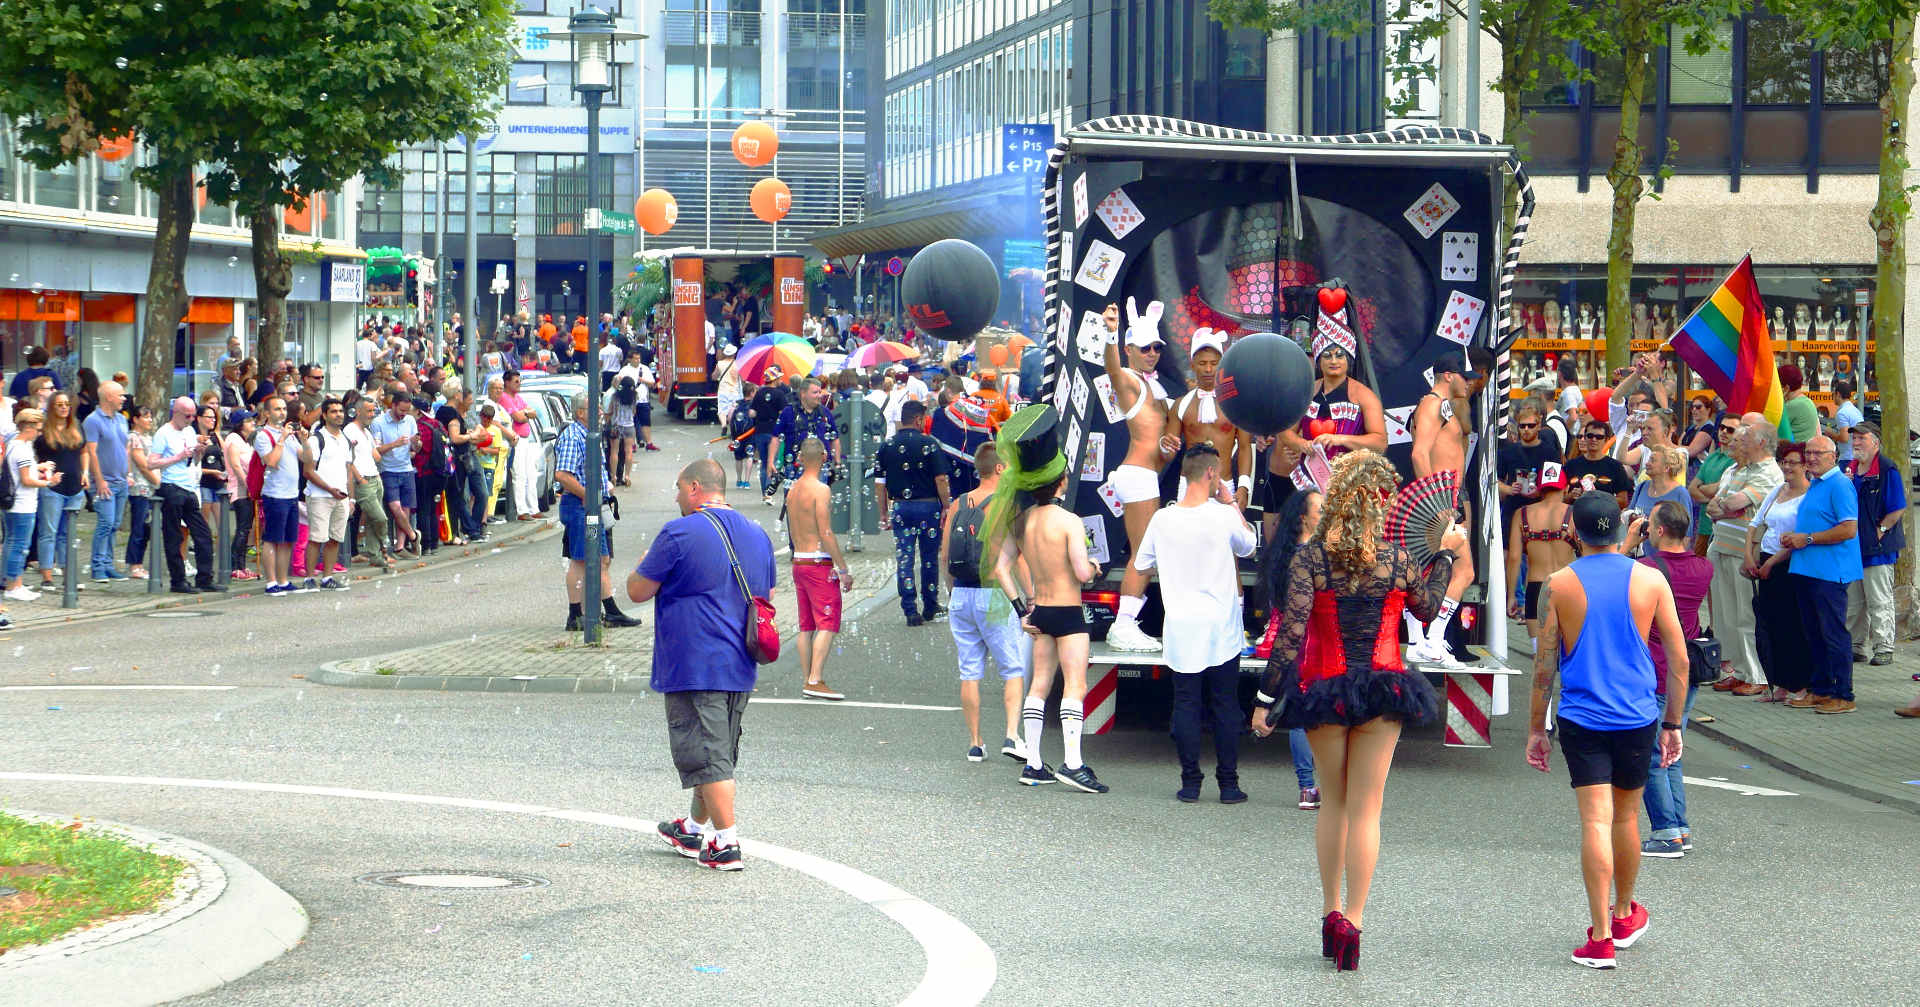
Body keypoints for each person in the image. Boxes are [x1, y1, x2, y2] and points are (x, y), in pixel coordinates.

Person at [1251, 450, 1458, 971]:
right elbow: (1429, 609)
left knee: (1334, 804)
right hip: (1385, 688)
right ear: (1380, 504)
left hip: (1326, 688)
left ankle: (1330, 913)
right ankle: (1355, 922)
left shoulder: (1310, 559)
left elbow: (1291, 635)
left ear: (1338, 498)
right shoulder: (1395, 559)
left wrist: (1265, 700)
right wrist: (1448, 556)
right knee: (1368, 808)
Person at [1526, 493, 1688, 970]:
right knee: (1625, 818)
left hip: (1582, 716)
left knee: (1594, 821)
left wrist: (1538, 727)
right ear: (1620, 529)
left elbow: (1544, 663)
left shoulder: (1557, 584)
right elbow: (1678, 662)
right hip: (1637, 715)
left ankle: (1598, 939)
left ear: (1574, 531)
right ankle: (1623, 914)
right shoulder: (1650, 580)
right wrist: (1673, 722)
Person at [635, 458, 777, 872]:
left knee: (708, 754)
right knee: (718, 751)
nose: (677, 496)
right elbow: (766, 592)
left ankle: (726, 843)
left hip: (693, 661)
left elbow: (638, 590)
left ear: (696, 487)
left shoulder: (679, 531)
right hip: (740, 660)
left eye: (680, 488)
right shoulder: (758, 534)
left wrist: (646, 560)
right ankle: (694, 827)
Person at [989, 406, 1107, 793]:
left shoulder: (1022, 522)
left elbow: (1001, 567)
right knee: (1075, 684)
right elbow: (1082, 572)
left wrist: (1022, 608)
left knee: (1039, 684)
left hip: (1038, 611)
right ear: (1059, 483)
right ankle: (1073, 763)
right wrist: (1092, 563)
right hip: (1069, 612)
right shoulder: (1070, 522)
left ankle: (1035, 763)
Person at [1133, 444, 1259, 803]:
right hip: (1221, 625)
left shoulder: (1162, 519)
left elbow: (1142, 565)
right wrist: (1230, 501)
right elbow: (1249, 545)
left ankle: (1190, 782)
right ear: (1211, 474)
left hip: (1181, 624)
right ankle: (1229, 784)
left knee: (1185, 703)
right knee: (1225, 704)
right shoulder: (1221, 516)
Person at [1629, 500, 1712, 858]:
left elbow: (1608, 573)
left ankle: (1665, 831)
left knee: (1651, 754)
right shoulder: (1703, 567)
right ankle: (1680, 828)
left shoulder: (1646, 569)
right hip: (1688, 669)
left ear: (1657, 531)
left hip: (1655, 670)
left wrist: (1629, 539)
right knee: (1672, 751)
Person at [940, 441, 1031, 763]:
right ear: (1001, 468)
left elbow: (945, 553)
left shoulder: (958, 503)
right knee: (1013, 668)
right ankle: (1011, 735)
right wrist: (1029, 597)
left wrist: (953, 592)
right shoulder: (1006, 505)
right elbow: (1015, 558)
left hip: (962, 594)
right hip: (995, 594)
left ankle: (975, 743)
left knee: (970, 671)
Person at [1101, 298, 1177, 652]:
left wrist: (1167, 449)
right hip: (1137, 476)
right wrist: (1110, 333)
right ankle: (1123, 625)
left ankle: (1127, 622)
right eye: (1145, 348)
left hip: (1145, 476)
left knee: (1146, 553)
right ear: (1130, 349)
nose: (1152, 353)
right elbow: (1112, 370)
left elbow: (1160, 441)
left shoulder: (1154, 388)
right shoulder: (1130, 380)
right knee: (1142, 555)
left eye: (1157, 347)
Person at [1406, 352, 1481, 666]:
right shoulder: (1432, 404)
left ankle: (1422, 641)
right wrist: (1433, 501)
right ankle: (1428, 639)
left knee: (1429, 572)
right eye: (1464, 376)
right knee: (1463, 571)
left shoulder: (1443, 406)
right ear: (1449, 376)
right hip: (1437, 503)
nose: (1470, 381)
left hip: (1444, 501)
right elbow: (1418, 453)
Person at [1256, 489, 1327, 811]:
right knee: (1313, 716)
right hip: (1312, 641)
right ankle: (1312, 785)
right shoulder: (1311, 556)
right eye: (1320, 508)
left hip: (1297, 641)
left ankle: (1308, 788)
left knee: (1303, 714)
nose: (1326, 512)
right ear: (1303, 517)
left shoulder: (1286, 555)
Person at [1783, 434, 1861, 714]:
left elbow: (1849, 529)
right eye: (1809, 453)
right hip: (1806, 569)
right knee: (1813, 634)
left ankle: (1844, 694)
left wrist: (1808, 539)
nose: (1812, 458)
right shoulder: (1815, 484)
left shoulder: (1839, 485)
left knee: (1833, 634)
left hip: (1830, 572)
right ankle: (1821, 689)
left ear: (1833, 456)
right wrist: (1796, 538)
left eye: (1819, 453)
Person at [555, 392, 642, 632]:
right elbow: (562, 475)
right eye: (595, 409)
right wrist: (588, 495)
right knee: (582, 560)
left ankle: (608, 610)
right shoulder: (574, 436)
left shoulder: (588, 435)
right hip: (580, 506)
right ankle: (576, 615)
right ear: (581, 413)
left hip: (591, 506)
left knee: (601, 559)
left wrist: (604, 487)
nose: (601, 413)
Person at [1705, 422, 1782, 693]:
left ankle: (1756, 674)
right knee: (1726, 615)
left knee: (1745, 615)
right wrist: (1723, 508)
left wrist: (1723, 507)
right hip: (1722, 545)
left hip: (1744, 551)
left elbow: (1733, 503)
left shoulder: (1769, 472)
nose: (1737, 442)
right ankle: (1737, 669)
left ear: (1761, 442)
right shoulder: (1738, 469)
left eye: (1745, 437)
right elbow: (1713, 504)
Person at [1745, 441, 1812, 704]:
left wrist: (1771, 563)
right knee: (1769, 624)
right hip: (1764, 560)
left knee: (1791, 625)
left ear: (1805, 466)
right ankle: (1777, 682)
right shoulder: (1777, 491)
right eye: (1784, 462)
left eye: (1793, 463)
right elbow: (1755, 523)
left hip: (1788, 564)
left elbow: (1799, 536)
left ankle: (1798, 682)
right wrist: (1749, 555)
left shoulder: (1808, 497)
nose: (1787, 468)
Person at [786, 437, 852, 701]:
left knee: (806, 626)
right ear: (823, 458)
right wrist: (843, 567)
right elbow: (825, 531)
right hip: (817, 562)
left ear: (801, 459)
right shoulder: (821, 490)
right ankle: (815, 680)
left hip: (799, 560)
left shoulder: (792, 490)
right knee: (827, 622)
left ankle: (807, 678)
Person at [876, 399, 951, 626]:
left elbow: (880, 483)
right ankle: (930, 605)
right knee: (929, 558)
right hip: (928, 507)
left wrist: (883, 513)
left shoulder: (887, 446)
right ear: (918, 419)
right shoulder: (929, 443)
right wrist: (946, 506)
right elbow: (940, 478)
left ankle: (910, 610)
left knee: (905, 558)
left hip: (901, 507)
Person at [1171, 330, 1258, 510]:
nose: (1208, 369)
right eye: (1202, 363)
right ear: (1193, 365)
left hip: (1225, 484)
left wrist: (1243, 486)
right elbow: (1168, 451)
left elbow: (1244, 447)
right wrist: (1165, 444)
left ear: (1222, 365)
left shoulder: (1236, 404)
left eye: (1214, 363)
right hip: (1189, 485)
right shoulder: (1181, 404)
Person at [1846, 421, 1904, 665]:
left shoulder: (1888, 469)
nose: (1856, 443)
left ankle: (1884, 648)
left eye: (1861, 438)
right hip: (1851, 547)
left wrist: (1880, 531)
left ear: (1875, 442)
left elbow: (1897, 508)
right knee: (1853, 603)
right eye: (1854, 438)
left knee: (1879, 600)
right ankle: (1855, 646)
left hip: (1877, 550)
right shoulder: (1849, 469)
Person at [151, 397, 220, 595]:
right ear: (176, 413)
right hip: (171, 486)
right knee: (173, 536)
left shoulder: (190, 431)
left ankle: (205, 578)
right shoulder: (163, 433)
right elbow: (152, 463)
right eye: (187, 416)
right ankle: (178, 580)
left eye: (193, 416)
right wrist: (177, 457)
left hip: (189, 487)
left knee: (203, 534)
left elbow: (194, 459)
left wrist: (200, 452)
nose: (191, 419)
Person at [1508, 461, 1577, 648]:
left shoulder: (1521, 514)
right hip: (1567, 586)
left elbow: (1514, 557)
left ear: (1538, 488)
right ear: (1566, 487)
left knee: (1540, 655)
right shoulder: (1573, 514)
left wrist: (1511, 596)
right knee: (1568, 653)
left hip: (1536, 589)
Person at [298, 397, 355, 592]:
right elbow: (308, 471)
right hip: (320, 496)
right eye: (333, 411)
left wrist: (351, 497)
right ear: (324, 415)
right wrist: (330, 489)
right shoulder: (317, 439)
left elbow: (349, 471)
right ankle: (308, 578)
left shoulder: (345, 439)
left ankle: (327, 577)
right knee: (316, 538)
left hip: (342, 496)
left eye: (341, 411)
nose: (339, 414)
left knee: (335, 538)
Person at [32, 392, 88, 589]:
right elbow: (37, 460)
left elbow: (84, 451)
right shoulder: (44, 432)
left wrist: (85, 473)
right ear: (52, 407)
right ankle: (47, 576)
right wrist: (46, 478)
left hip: (74, 486)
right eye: (59, 405)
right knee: (49, 532)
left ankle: (68, 575)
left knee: (67, 534)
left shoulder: (76, 427)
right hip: (53, 488)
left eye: (66, 404)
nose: (64, 408)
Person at [252, 395, 304, 595]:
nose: (282, 412)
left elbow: (307, 458)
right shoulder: (263, 435)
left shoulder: (290, 435)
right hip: (275, 494)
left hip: (291, 494)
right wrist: (281, 439)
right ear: (266, 413)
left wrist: (305, 442)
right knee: (272, 538)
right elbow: (271, 461)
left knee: (287, 539)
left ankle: (283, 581)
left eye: (283, 409)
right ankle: (271, 581)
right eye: (277, 409)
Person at [4, 410, 55, 602]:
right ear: (29, 427)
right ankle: (13, 585)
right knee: (20, 545)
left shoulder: (12, 445)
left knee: (11, 542)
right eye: (38, 429)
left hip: (12, 503)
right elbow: (26, 480)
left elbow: (21, 471)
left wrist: (38, 468)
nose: (39, 433)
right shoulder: (23, 449)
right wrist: (48, 482)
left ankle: (12, 581)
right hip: (23, 503)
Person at [83, 380, 130, 583]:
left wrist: (128, 473)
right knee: (105, 523)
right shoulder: (93, 420)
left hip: (121, 481)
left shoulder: (121, 419)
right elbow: (91, 452)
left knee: (114, 525)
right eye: (120, 395)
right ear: (108, 397)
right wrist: (99, 480)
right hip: (105, 482)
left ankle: (109, 564)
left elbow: (124, 448)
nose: (123, 398)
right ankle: (98, 566)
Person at [766, 377, 839, 504]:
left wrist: (837, 461)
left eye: (819, 392)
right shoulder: (788, 412)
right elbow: (776, 437)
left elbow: (835, 439)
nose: (819, 396)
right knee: (793, 505)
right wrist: (770, 461)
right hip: (794, 467)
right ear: (803, 394)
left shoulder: (825, 413)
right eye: (815, 392)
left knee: (817, 505)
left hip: (821, 467)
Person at [345, 397, 394, 572]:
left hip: (375, 477)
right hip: (364, 479)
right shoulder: (350, 430)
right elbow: (348, 460)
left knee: (374, 520)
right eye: (369, 411)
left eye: (373, 411)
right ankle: (383, 549)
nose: (372, 415)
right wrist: (359, 479)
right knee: (380, 518)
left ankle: (375, 556)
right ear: (358, 412)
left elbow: (376, 454)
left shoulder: (367, 432)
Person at [371, 387, 421, 555]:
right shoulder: (379, 422)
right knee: (395, 507)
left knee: (406, 508)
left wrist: (416, 443)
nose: (403, 414)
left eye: (407, 411)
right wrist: (394, 444)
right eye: (401, 410)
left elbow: (416, 448)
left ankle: (400, 546)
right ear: (392, 405)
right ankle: (414, 536)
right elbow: (376, 450)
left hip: (406, 468)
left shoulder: (410, 421)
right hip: (388, 470)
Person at [496, 371, 542, 521]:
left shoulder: (518, 398)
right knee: (519, 474)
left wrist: (525, 413)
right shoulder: (505, 398)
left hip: (526, 439)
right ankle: (522, 510)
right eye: (516, 381)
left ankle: (534, 508)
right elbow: (519, 418)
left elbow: (533, 412)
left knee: (531, 474)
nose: (519, 383)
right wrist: (525, 413)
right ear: (507, 383)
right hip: (515, 440)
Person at [1627, 446, 1693, 548]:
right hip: (1637, 557)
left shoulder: (1680, 494)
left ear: (1666, 468)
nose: (1647, 463)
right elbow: (1629, 514)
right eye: (1649, 459)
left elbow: (1686, 536)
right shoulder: (1642, 487)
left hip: (1664, 560)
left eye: (1652, 461)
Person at [123, 405, 159, 581]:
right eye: (145, 416)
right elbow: (143, 465)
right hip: (141, 488)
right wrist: (157, 481)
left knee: (146, 528)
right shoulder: (134, 438)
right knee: (139, 526)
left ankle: (139, 563)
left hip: (150, 488)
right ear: (135, 419)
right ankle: (134, 564)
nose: (149, 420)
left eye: (150, 416)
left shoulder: (149, 438)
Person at [1566, 419, 1635, 508]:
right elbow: (1558, 499)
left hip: (1603, 518)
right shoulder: (1571, 465)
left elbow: (1623, 501)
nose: (1594, 439)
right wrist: (1571, 496)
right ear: (1585, 437)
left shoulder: (1615, 466)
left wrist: (1598, 497)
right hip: (1574, 516)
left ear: (1606, 439)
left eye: (1599, 437)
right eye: (1590, 436)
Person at [745, 365, 790, 496]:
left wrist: (761, 412)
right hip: (774, 432)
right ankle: (769, 492)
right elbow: (783, 414)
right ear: (775, 379)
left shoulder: (759, 393)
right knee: (773, 462)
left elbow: (752, 413)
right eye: (779, 378)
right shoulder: (780, 394)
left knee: (764, 462)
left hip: (760, 430)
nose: (780, 380)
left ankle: (764, 491)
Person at [1778, 364, 1819, 444]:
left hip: (1794, 452)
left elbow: (1771, 430)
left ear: (1786, 388)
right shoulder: (1807, 401)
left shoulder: (1793, 405)